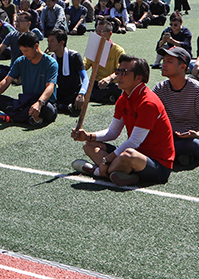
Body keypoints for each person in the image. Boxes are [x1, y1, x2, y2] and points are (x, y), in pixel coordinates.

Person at [71, 55, 175, 187]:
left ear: (139, 78)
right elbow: (113, 132)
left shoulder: (149, 103)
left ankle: (96, 171)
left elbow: (134, 141)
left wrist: (106, 161)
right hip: (135, 153)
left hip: (158, 164)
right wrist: (89, 136)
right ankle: (119, 173)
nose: (118, 76)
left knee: (128, 154)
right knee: (89, 145)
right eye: (118, 71)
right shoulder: (123, 99)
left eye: (124, 72)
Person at [153, 47, 199, 168]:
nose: (163, 64)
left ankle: (167, 155)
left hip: (195, 139)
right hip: (172, 136)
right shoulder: (160, 88)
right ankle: (179, 156)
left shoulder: (196, 89)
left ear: (182, 67)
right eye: (164, 60)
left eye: (169, 61)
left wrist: (196, 133)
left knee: (191, 145)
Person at [0, 31, 58, 127]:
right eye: (22, 51)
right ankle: (28, 118)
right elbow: (7, 80)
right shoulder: (20, 61)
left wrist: (39, 103)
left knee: (49, 110)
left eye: (26, 50)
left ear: (36, 46)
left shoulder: (50, 63)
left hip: (44, 102)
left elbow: (50, 86)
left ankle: (11, 117)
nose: (24, 54)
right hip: (26, 101)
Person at [0, 11, 41, 83]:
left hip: (27, 70)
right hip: (13, 69)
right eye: (17, 20)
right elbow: (0, 48)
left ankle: (16, 78)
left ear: (28, 23)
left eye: (21, 21)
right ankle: (13, 78)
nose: (17, 23)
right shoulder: (12, 35)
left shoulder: (32, 37)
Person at [46, 29, 89, 117]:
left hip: (74, 93)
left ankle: (62, 107)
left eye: (52, 41)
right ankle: (64, 107)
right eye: (48, 41)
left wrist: (81, 94)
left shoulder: (74, 56)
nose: (49, 44)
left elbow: (85, 78)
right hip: (60, 92)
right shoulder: (50, 59)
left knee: (80, 103)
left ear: (62, 42)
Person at [84, 20, 127, 105]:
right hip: (96, 83)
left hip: (110, 83)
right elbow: (86, 64)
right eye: (97, 31)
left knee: (117, 89)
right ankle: (105, 98)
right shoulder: (93, 48)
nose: (98, 34)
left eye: (102, 31)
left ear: (110, 33)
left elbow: (120, 70)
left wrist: (109, 78)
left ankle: (93, 96)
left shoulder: (118, 50)